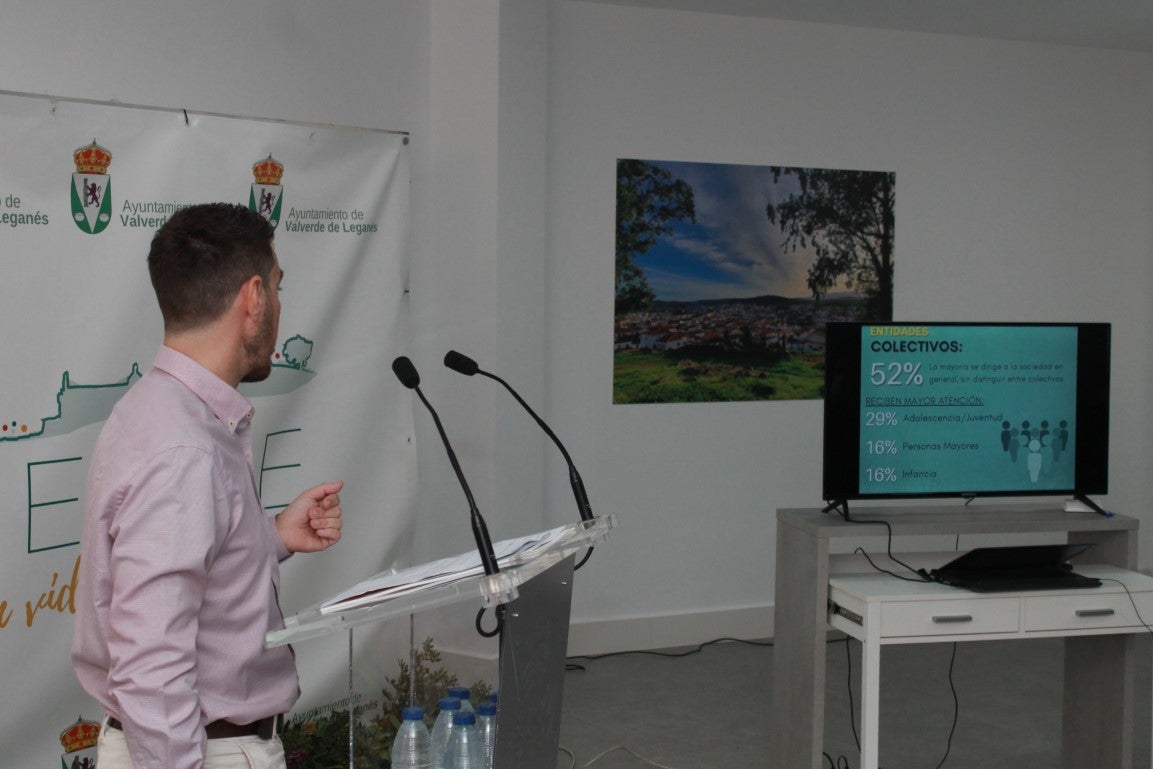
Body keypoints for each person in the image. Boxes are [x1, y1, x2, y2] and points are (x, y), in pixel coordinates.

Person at [72, 203, 344, 769]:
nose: (278, 303)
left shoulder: (161, 413)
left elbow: (192, 572)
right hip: (202, 752)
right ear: (253, 298)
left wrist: (269, 537)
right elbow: (151, 664)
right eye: (277, 286)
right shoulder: (184, 449)